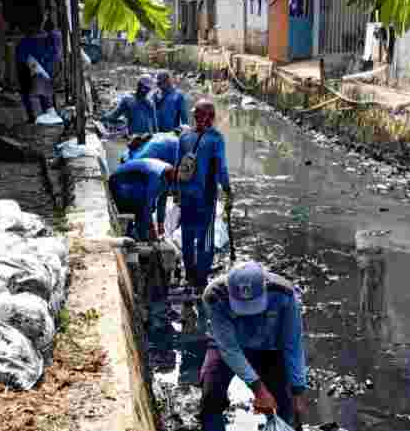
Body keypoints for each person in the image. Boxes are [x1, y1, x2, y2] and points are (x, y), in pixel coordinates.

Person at [200, 261, 308, 431]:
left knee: (285, 406)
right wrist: (259, 390)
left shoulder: (284, 295)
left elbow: (292, 344)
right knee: (210, 395)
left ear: (265, 287)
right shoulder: (214, 296)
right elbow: (229, 349)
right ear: (229, 291)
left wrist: (298, 389)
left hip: (270, 347)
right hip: (228, 345)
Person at [176, 99, 231, 291]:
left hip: (186, 196)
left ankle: (189, 273)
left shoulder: (184, 137)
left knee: (187, 235)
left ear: (195, 116)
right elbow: (222, 169)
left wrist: (178, 193)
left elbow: (178, 167)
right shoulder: (216, 139)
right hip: (205, 197)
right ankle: (201, 280)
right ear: (211, 117)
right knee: (206, 238)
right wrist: (227, 188)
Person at [107, 157, 176, 241]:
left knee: (147, 208)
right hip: (119, 184)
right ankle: (141, 237)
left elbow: (162, 202)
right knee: (144, 207)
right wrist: (151, 228)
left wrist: (160, 223)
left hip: (129, 184)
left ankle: (138, 233)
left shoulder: (167, 173)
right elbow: (147, 203)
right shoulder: (155, 175)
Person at [15, 18, 59, 121]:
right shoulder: (48, 39)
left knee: (30, 94)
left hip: (28, 71)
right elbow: (54, 55)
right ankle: (45, 114)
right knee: (46, 94)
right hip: (43, 70)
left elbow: (20, 61)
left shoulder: (23, 43)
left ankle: (33, 117)